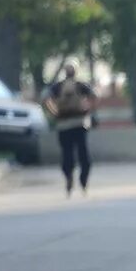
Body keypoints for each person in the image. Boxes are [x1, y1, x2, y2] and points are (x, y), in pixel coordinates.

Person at [43, 63, 96, 196]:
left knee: (67, 155)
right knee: (83, 155)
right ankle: (83, 182)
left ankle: (69, 178)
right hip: (80, 124)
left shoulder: (58, 87)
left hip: (63, 125)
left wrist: (54, 113)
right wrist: (87, 109)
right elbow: (94, 96)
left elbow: (45, 98)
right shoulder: (80, 85)